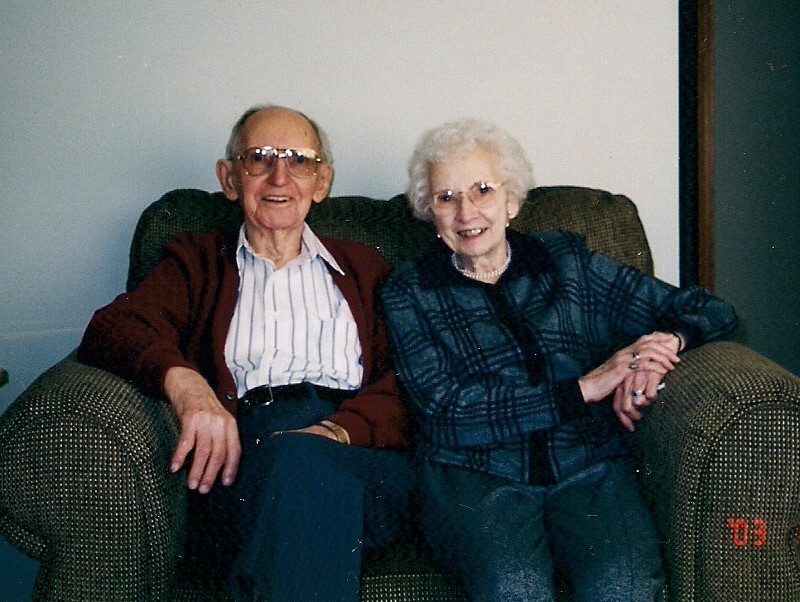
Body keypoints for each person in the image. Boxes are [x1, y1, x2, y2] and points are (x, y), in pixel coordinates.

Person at [380, 118, 738, 602]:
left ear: (511, 200)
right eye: (446, 198)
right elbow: (447, 412)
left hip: (588, 464)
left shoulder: (568, 264)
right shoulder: (409, 291)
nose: (467, 212)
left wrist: (663, 347)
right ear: (430, 212)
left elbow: (709, 309)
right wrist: (586, 387)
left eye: (482, 190)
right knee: (514, 591)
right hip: (474, 476)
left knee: (623, 587)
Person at [78, 104, 415, 601]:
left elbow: (412, 375)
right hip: (245, 453)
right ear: (230, 178)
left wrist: (338, 430)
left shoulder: (366, 269)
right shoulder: (196, 260)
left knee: (302, 469)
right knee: (295, 480)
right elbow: (116, 325)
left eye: (299, 160)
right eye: (259, 157)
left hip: (356, 450)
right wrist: (187, 385)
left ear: (322, 182)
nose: (280, 176)